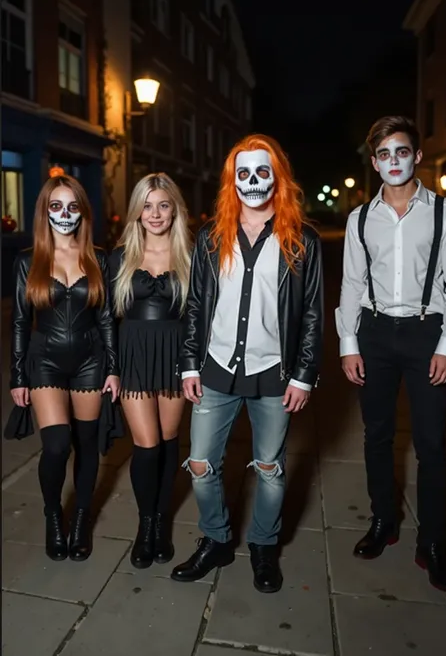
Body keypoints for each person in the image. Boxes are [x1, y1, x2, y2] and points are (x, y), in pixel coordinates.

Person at [171, 134, 324, 593]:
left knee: (271, 468)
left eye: (262, 172)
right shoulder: (212, 236)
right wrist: (189, 364)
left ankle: (263, 545)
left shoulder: (302, 240)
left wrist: (304, 374)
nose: (252, 181)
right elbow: (196, 303)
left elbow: (314, 311)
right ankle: (216, 539)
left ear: (277, 178)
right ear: (231, 181)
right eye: (243, 173)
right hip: (216, 367)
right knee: (200, 462)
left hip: (275, 374)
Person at [336, 116, 446, 593]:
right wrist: (348, 343)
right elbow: (351, 283)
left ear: (415, 156)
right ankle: (383, 521)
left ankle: (432, 544)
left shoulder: (445, 213)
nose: (394, 161)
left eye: (402, 151)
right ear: (374, 163)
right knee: (377, 435)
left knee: (432, 444)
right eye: (385, 154)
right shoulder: (359, 218)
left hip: (425, 333)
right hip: (374, 333)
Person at [10, 175, 120, 561]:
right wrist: (18, 374)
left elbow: (107, 317)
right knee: (56, 446)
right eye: (56, 206)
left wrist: (113, 367)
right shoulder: (28, 260)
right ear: (44, 212)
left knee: (87, 446)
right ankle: (54, 514)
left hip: (91, 361)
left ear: (83, 212)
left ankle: (82, 518)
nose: (64, 213)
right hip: (46, 363)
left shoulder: (99, 258)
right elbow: (21, 322)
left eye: (72, 206)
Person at [110, 173, 191, 569]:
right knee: (147, 446)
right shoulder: (121, 255)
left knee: (170, 442)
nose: (155, 213)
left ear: (174, 208)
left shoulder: (193, 255)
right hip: (135, 356)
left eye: (162, 204)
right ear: (137, 211)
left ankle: (161, 523)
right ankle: (146, 528)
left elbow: (202, 318)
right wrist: (111, 368)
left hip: (177, 355)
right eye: (147, 205)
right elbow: (107, 320)